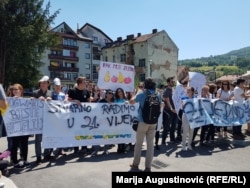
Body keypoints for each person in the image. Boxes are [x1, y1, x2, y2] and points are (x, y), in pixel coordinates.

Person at [129, 77, 162, 172]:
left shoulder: (142, 93)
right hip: (153, 122)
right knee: (150, 145)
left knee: (139, 144)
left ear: (145, 85)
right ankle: (148, 167)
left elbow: (131, 102)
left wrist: (136, 93)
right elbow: (160, 105)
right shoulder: (158, 94)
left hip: (142, 121)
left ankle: (135, 164)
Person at [32, 75, 53, 165]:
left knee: (48, 137)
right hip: (38, 120)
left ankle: (47, 154)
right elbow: (31, 104)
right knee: (38, 139)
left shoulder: (51, 93)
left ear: (48, 84)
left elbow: (56, 105)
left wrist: (51, 100)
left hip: (48, 119)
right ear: (39, 84)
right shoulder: (35, 92)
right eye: (41, 83)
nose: (43, 84)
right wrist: (36, 99)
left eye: (45, 83)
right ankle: (38, 157)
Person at [9, 83, 30, 169]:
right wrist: (11, 101)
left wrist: (33, 100)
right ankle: (14, 161)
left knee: (24, 144)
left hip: (24, 127)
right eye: (14, 89)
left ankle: (24, 159)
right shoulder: (9, 100)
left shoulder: (26, 100)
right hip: (15, 127)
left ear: (21, 90)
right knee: (14, 144)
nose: (15, 91)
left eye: (17, 89)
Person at [67, 76, 91, 154]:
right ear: (80, 83)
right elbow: (68, 101)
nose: (86, 83)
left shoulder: (86, 91)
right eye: (84, 82)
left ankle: (84, 147)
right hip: (75, 116)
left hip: (84, 116)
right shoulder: (72, 91)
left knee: (84, 131)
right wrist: (75, 101)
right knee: (76, 131)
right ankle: (76, 148)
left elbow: (89, 102)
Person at [162, 76, 178, 144]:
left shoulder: (174, 90)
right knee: (167, 126)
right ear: (168, 83)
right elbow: (167, 101)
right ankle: (163, 140)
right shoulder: (166, 91)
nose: (173, 83)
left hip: (175, 110)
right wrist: (171, 109)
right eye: (171, 82)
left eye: (173, 82)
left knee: (174, 125)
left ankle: (172, 139)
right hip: (169, 111)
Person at [114, 88, 129, 153]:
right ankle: (119, 147)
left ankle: (123, 147)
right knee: (119, 133)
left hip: (124, 119)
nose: (119, 93)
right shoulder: (116, 100)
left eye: (120, 92)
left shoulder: (126, 100)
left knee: (123, 133)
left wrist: (128, 103)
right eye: (118, 92)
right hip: (118, 119)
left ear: (123, 92)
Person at [181, 86, 195, 151]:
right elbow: (181, 108)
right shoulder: (183, 98)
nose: (187, 91)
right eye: (187, 90)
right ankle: (183, 145)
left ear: (192, 91)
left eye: (189, 90)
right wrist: (182, 105)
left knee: (191, 131)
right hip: (185, 115)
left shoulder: (195, 99)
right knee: (185, 131)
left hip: (193, 116)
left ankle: (189, 144)